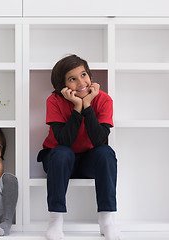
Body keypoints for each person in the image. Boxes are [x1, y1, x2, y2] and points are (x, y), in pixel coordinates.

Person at [37, 55, 121, 240]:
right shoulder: (54, 101)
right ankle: (55, 220)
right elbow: (64, 141)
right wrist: (77, 107)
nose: (81, 82)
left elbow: (99, 140)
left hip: (87, 160)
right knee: (62, 152)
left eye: (84, 75)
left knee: (106, 153)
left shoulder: (104, 100)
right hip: (58, 159)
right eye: (72, 79)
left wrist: (88, 105)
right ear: (63, 86)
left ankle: (107, 220)